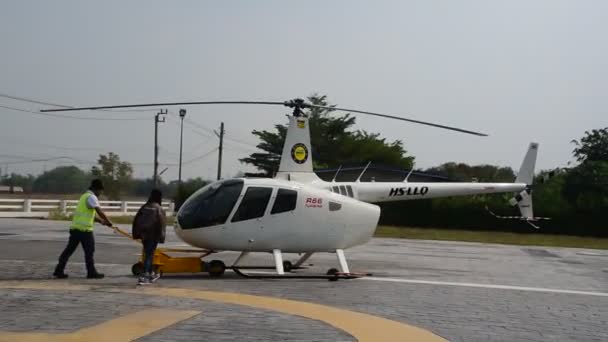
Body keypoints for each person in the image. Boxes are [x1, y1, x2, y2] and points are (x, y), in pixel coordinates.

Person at [53, 179, 113, 279]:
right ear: (96, 189)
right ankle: (91, 272)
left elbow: (89, 215)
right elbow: (99, 211)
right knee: (89, 252)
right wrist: (108, 221)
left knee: (68, 251)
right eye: (100, 191)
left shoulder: (84, 196)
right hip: (85, 231)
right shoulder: (92, 197)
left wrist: (101, 222)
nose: (100, 193)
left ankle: (58, 270)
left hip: (76, 229)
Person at [132, 189, 166, 284]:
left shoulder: (144, 207)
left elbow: (136, 220)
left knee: (148, 253)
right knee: (149, 255)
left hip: (144, 235)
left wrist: (136, 234)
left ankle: (150, 273)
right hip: (153, 235)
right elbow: (161, 224)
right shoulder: (158, 208)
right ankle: (145, 275)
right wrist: (161, 237)